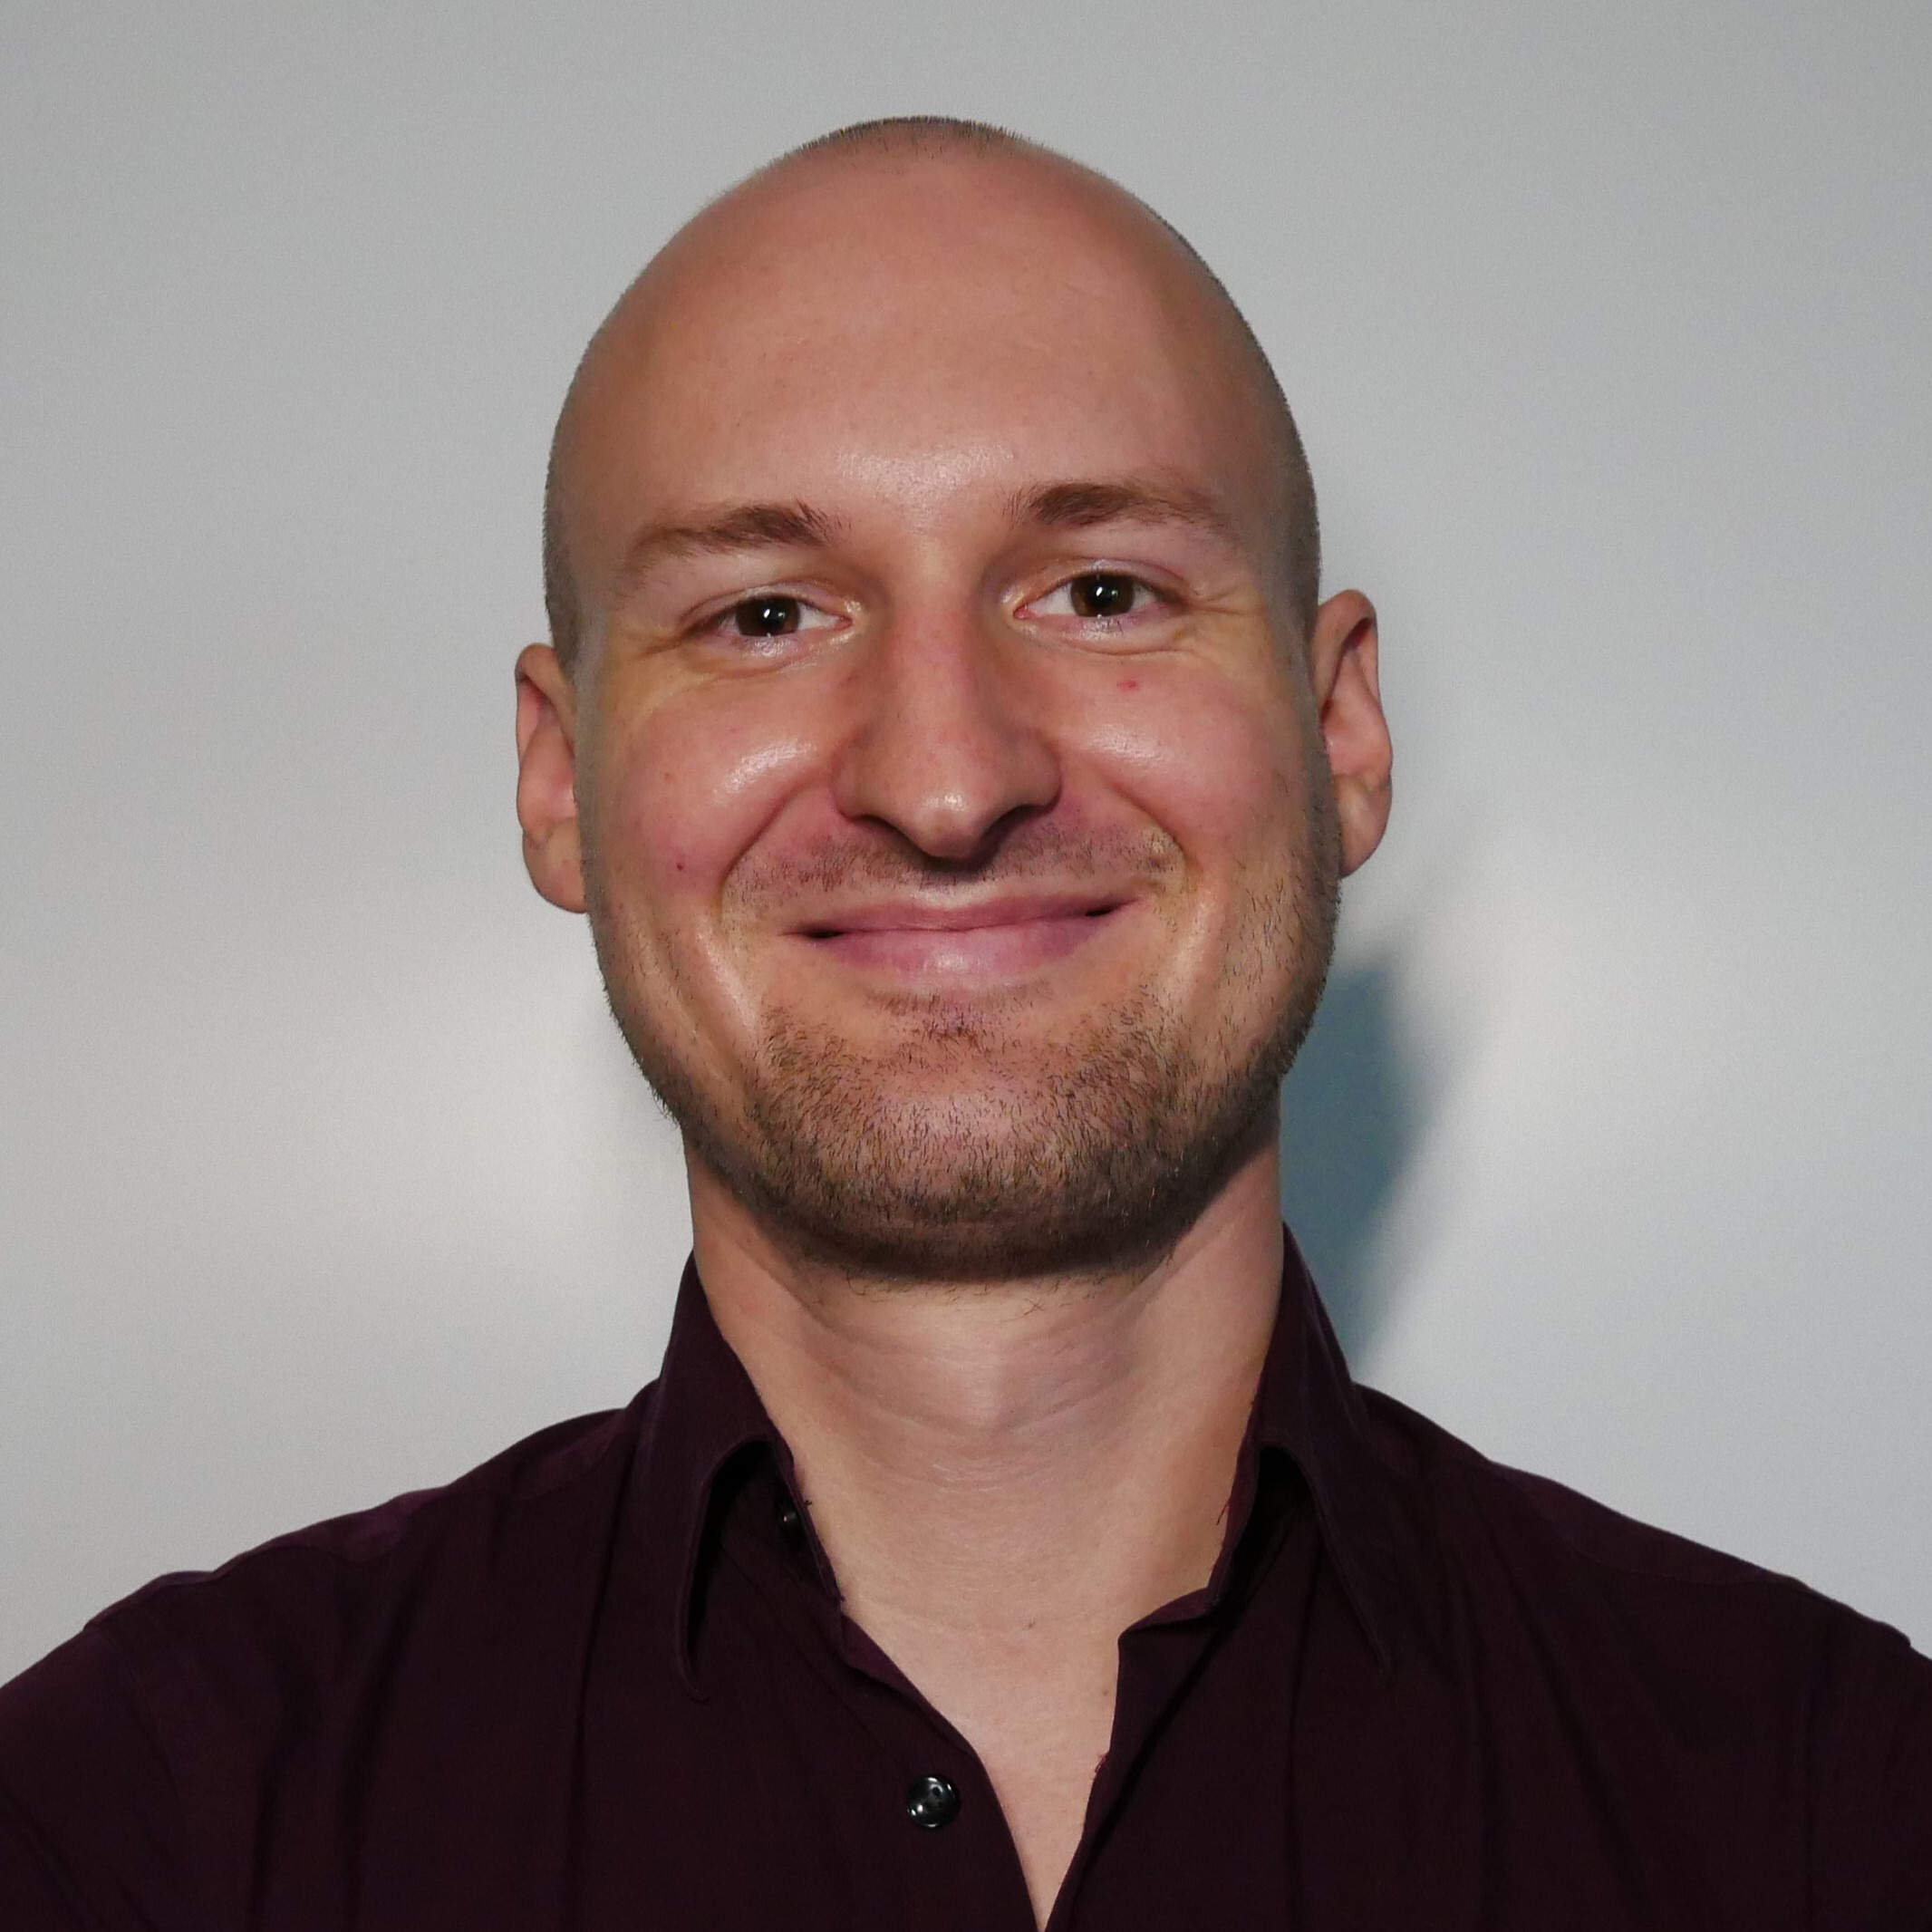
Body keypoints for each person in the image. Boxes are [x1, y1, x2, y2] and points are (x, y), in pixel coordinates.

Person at [2, 115, 1927, 1931]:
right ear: (559, 782)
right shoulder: (144, 1829)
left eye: (1098, 589)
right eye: (765, 613)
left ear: (1339, 733)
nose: (944, 780)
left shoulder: (1839, 1816)